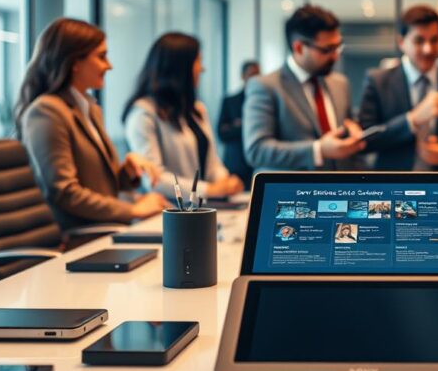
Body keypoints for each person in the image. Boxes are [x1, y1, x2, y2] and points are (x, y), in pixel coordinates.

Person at [15, 18, 167, 230]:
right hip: (79, 237)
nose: (109, 66)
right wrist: (132, 210)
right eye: (101, 56)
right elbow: (64, 192)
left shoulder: (89, 109)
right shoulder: (47, 111)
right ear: (74, 62)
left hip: (104, 230)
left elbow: (99, 186)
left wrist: (127, 173)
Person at [123, 32, 244, 203]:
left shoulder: (196, 109)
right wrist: (210, 190)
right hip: (168, 210)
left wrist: (225, 181)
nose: (202, 69)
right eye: (198, 61)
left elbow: (212, 163)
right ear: (181, 67)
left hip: (203, 206)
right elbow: (154, 179)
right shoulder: (143, 113)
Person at [243, 5, 365, 173]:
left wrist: (353, 135)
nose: (336, 56)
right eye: (327, 49)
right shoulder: (265, 86)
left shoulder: (340, 83)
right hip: (293, 188)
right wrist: (318, 149)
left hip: (340, 186)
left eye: (338, 46)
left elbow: (347, 139)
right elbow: (256, 150)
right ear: (299, 48)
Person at [358, 5, 438, 170]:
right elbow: (365, 140)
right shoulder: (378, 81)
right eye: (419, 41)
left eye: (434, 40)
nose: (428, 49)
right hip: (394, 181)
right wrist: (413, 119)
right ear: (401, 42)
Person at [217, 60, 259, 188]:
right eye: (251, 74)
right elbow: (222, 133)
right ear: (243, 76)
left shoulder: (264, 101)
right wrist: (248, 125)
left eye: (257, 74)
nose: (254, 78)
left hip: (257, 164)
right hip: (236, 164)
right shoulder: (230, 101)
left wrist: (238, 125)